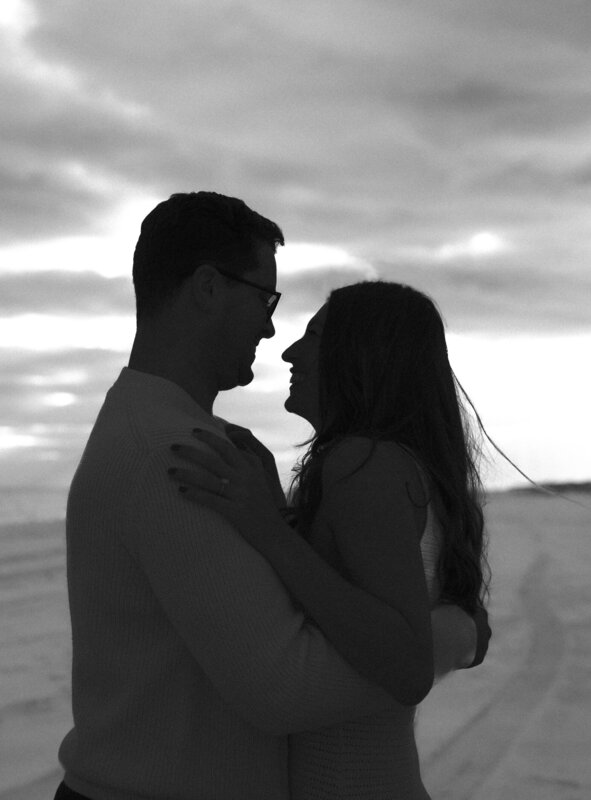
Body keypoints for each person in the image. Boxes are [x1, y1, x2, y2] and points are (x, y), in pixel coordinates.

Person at [56, 194, 485, 800]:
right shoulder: (174, 454)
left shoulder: (191, 441)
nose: (270, 328)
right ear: (207, 288)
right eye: (265, 299)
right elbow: (286, 688)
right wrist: (449, 637)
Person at [170, 280, 490, 798]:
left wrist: (270, 531)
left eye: (315, 336)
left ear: (361, 357)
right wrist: (282, 516)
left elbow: (406, 668)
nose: (292, 351)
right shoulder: (393, 464)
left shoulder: (364, 464)